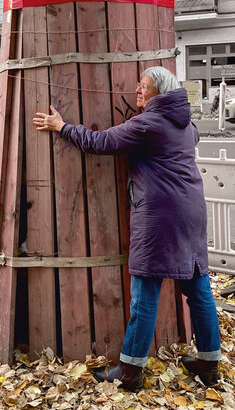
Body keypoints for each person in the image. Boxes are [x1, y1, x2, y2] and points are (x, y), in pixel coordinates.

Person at [33, 66, 220, 391]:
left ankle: (130, 373)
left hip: (160, 217)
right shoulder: (186, 124)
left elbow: (101, 141)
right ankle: (209, 365)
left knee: (144, 295)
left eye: (143, 87)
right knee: (198, 289)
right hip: (192, 212)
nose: (137, 90)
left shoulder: (149, 123)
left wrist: (62, 127)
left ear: (160, 93)